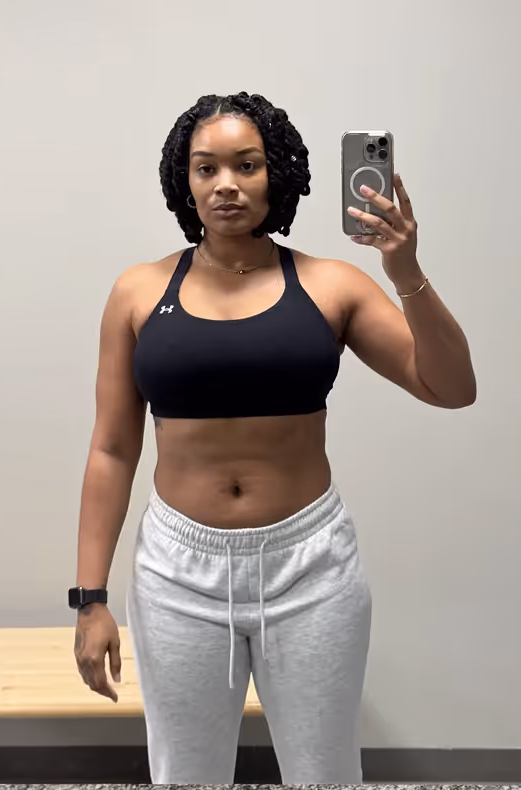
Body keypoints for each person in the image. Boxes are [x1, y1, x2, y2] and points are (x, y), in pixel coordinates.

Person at [71, 92, 476, 784]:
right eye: (206, 168)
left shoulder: (331, 285)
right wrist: (90, 599)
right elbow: (111, 450)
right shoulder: (137, 292)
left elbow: (450, 387)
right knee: (186, 775)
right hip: (177, 571)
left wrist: (405, 270)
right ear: (184, 180)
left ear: (276, 173)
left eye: (247, 165)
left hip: (309, 565)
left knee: (324, 774)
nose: (226, 184)